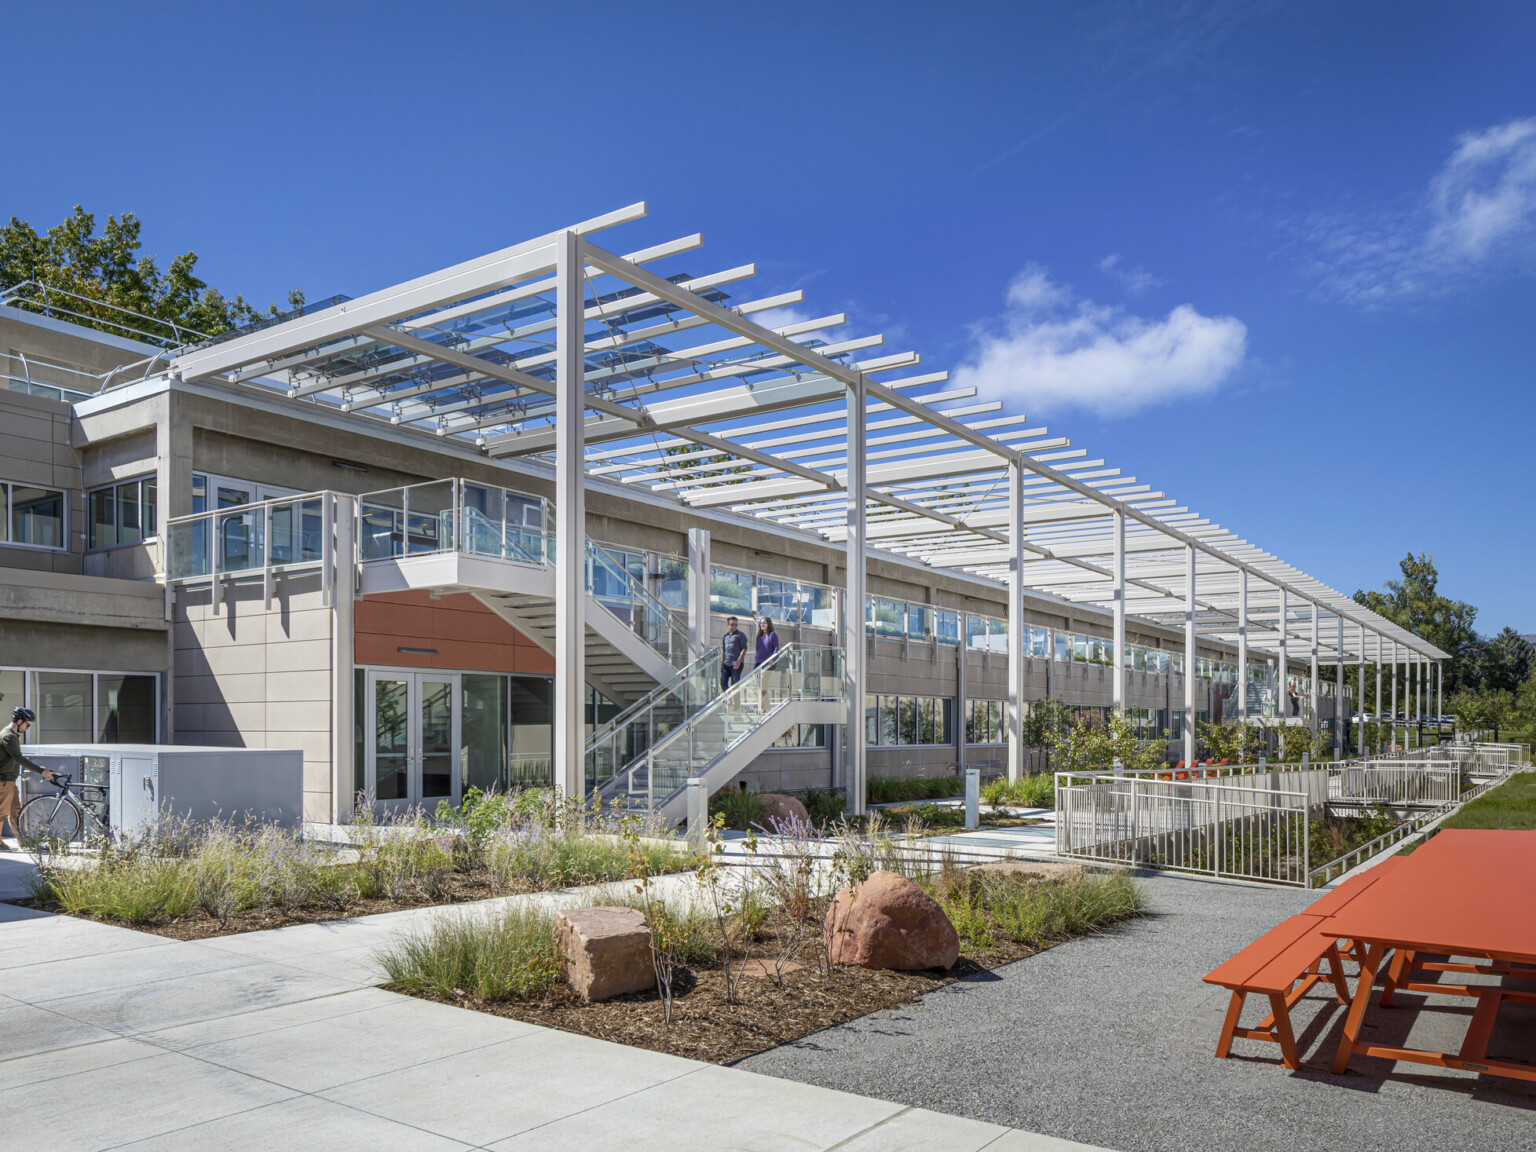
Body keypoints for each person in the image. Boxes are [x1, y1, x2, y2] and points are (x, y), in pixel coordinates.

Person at [0, 707, 54, 850]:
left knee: (16, 812)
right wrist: (41, 771)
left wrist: (35, 769)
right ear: (19, 721)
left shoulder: (12, 736)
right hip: (3, 781)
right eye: (27, 724)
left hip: (9, 781)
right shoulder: (8, 736)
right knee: (2, 813)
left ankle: (23, 841)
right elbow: (18, 758)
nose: (28, 728)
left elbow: (14, 760)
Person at [720, 615, 748, 690]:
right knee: (723, 682)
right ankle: (728, 699)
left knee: (735, 684)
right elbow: (724, 651)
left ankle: (736, 701)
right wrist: (722, 663)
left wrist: (738, 662)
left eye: (736, 625)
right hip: (726, 663)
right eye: (732, 624)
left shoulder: (741, 635)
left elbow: (744, 649)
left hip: (736, 664)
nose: (734, 626)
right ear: (728, 625)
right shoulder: (725, 636)